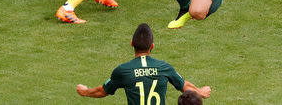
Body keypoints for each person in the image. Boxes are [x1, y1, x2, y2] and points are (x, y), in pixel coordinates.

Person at [76, 23, 211, 104]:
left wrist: (85, 92)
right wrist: (200, 92)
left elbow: (102, 91)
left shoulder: (123, 70)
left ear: (132, 44)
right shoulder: (164, 67)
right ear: (152, 46)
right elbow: (184, 85)